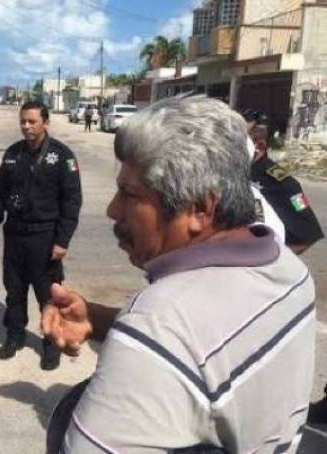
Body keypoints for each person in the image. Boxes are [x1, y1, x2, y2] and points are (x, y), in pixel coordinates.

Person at [42, 96, 316, 453]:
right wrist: (103, 319)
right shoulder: (289, 270)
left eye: (128, 193)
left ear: (200, 208)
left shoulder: (160, 324)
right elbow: (216, 349)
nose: (112, 210)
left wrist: (135, 330)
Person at [0, 100, 82, 370]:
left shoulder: (61, 156)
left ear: (46, 123)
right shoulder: (12, 154)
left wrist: (62, 240)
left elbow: (72, 201)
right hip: (15, 234)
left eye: (32, 122)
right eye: (23, 122)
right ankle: (14, 335)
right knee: (14, 291)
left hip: (45, 236)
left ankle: (51, 344)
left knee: (47, 294)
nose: (26, 127)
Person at [243, 109, 324, 254]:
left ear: (259, 146)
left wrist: (274, 262)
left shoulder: (284, 184)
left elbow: (307, 236)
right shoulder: (233, 173)